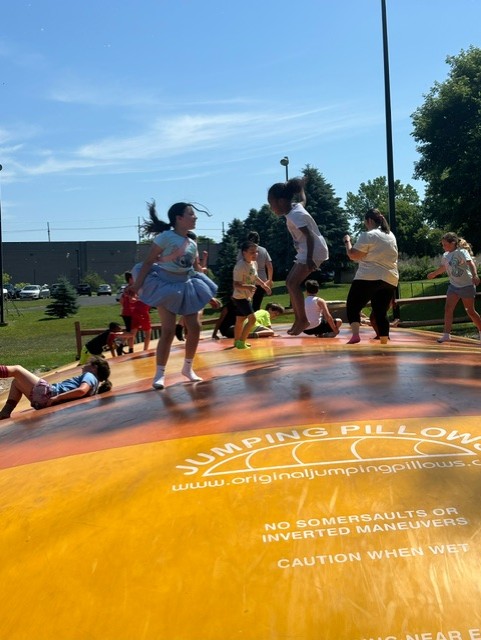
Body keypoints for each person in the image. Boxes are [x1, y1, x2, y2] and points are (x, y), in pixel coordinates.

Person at [130, 201, 218, 389]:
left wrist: (208, 296)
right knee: (168, 330)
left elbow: (195, 270)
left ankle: (187, 368)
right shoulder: (165, 238)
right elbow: (147, 262)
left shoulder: (192, 243)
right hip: (165, 286)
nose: (195, 217)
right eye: (191, 214)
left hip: (186, 286)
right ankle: (160, 373)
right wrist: (137, 286)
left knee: (195, 327)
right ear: (179, 218)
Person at [267, 178, 329, 335]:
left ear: (281, 201)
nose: (270, 207)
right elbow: (303, 199)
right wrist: (301, 187)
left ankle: (303, 320)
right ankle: (299, 319)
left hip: (312, 250)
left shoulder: (295, 215)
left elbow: (309, 236)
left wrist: (309, 259)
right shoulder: (295, 208)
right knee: (289, 282)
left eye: (271, 203)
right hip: (308, 250)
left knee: (293, 284)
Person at [343, 208, 399, 345]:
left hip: (368, 276)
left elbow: (353, 255)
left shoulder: (368, 235)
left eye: (365, 223)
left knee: (352, 307)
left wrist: (347, 241)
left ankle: (355, 335)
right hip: (390, 278)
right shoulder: (390, 235)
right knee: (380, 312)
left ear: (369, 220)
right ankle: (384, 342)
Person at [0, 356, 112, 420]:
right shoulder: (95, 384)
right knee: (16, 382)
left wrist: (57, 397)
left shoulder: (91, 376)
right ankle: (5, 412)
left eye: (88, 363)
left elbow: (82, 390)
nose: (84, 365)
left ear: (94, 368)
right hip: (43, 401)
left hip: (50, 393)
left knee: (17, 370)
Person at [427, 232, 481, 343]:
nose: (443, 247)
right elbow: (443, 268)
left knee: (470, 311)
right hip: (453, 286)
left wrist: (475, 275)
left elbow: (470, 264)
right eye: (442, 244)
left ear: (453, 243)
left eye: (445, 244)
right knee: (448, 309)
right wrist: (434, 274)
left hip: (466, 285)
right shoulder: (445, 255)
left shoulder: (461, 252)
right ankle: (446, 334)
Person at [232, 240, 271, 349]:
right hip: (240, 297)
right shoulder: (240, 266)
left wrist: (263, 284)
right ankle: (241, 342)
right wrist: (247, 287)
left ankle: (236, 341)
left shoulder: (254, 263)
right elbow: (236, 284)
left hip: (247, 297)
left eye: (256, 252)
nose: (255, 254)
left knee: (239, 320)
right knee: (252, 319)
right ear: (244, 253)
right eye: (252, 252)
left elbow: (254, 277)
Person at [237, 231, 273, 311]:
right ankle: (255, 321)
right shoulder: (263, 250)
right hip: (262, 281)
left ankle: (249, 321)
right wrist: (269, 280)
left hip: (248, 281)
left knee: (245, 305)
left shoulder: (244, 251)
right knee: (257, 305)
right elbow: (269, 266)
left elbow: (240, 265)